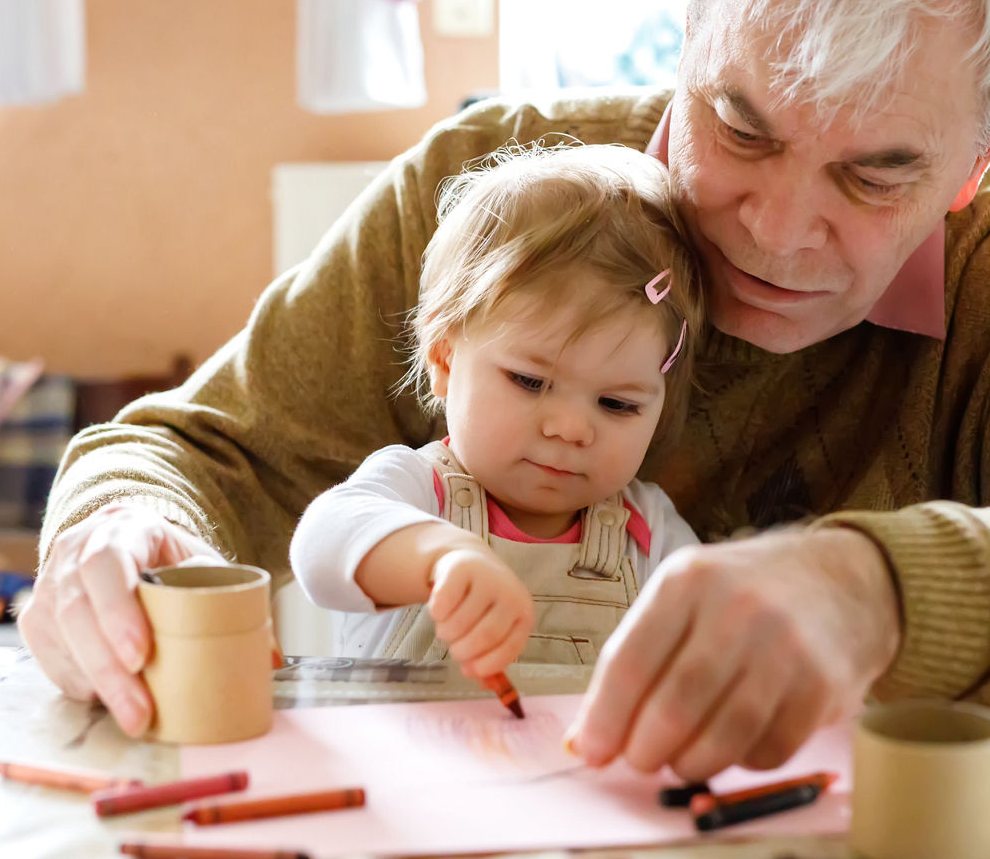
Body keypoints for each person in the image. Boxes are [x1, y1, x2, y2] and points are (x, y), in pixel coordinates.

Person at [20, 0, 990, 785]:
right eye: (739, 124)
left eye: (877, 173)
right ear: (691, 26)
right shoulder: (502, 191)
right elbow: (201, 450)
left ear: (981, 155)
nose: (775, 231)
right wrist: (122, 528)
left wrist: (880, 589)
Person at [290, 143, 704, 678]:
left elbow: (717, 632)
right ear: (444, 358)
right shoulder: (419, 490)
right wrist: (438, 558)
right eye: (530, 382)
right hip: (414, 760)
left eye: (617, 404)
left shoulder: (646, 531)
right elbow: (320, 547)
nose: (571, 428)